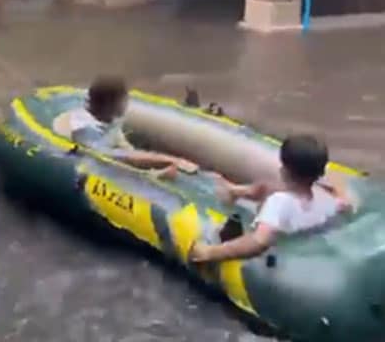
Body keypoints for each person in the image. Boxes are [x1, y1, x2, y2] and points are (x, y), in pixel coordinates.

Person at [190, 134, 345, 262]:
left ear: (284, 171)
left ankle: (232, 192)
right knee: (267, 187)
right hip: (303, 234)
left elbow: (259, 241)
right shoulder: (327, 200)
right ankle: (235, 191)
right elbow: (345, 203)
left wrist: (209, 252)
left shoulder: (278, 202)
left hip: (281, 250)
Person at [55, 76, 199, 180]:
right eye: (122, 101)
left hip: (117, 155)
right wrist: (168, 162)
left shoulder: (110, 118)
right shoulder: (85, 129)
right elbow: (115, 158)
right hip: (94, 168)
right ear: (108, 103)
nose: (126, 105)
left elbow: (125, 147)